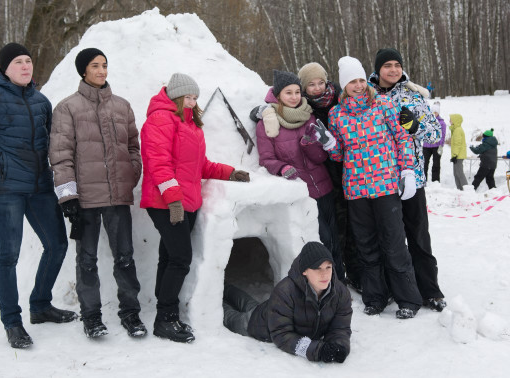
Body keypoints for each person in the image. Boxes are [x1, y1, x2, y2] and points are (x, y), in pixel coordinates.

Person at [0, 43, 76, 349]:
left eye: (28, 61)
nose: (26, 66)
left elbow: (50, 144)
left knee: (57, 244)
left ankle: (40, 305)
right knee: (7, 255)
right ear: (5, 68)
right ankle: (12, 321)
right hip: (5, 190)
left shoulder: (41, 102)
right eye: (18, 62)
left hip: (39, 187)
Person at [141, 73, 250, 343]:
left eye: (195, 98)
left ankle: (165, 309)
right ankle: (165, 319)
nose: (192, 102)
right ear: (176, 96)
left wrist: (229, 173)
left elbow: (200, 166)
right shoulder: (160, 120)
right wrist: (173, 199)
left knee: (169, 257)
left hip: (186, 202)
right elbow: (158, 163)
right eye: (188, 97)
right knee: (180, 258)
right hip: (165, 201)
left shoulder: (190, 125)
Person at [49, 48, 145, 339]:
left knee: (125, 257)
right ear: (83, 71)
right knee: (86, 260)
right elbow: (61, 156)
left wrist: (131, 173)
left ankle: (131, 314)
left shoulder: (122, 106)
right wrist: (68, 197)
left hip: (117, 196)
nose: (102, 70)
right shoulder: (67, 108)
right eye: (95, 66)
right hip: (86, 200)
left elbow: (133, 147)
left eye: (105, 65)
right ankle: (91, 317)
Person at [328, 56, 422, 319]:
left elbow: (403, 138)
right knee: (365, 245)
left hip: (386, 186)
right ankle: (375, 297)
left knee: (394, 243)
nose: (358, 86)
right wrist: (327, 144)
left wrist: (407, 171)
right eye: (352, 82)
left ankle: (408, 299)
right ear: (344, 85)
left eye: (360, 80)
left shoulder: (384, 105)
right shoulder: (336, 114)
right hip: (356, 189)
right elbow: (338, 155)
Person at [368, 48, 446, 312]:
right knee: (388, 238)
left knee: (418, 234)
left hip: (413, 177)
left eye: (397, 65)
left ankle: (429, 290)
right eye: (387, 65)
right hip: (379, 179)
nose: (393, 70)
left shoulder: (413, 96)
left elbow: (435, 134)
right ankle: (393, 287)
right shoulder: (366, 96)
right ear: (377, 69)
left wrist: (413, 125)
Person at [255, 70, 341, 280]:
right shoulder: (267, 121)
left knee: (335, 238)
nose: (294, 97)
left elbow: (320, 158)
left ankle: (339, 279)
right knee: (321, 238)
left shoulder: (308, 116)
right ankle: (324, 280)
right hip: (303, 191)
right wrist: (282, 168)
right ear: (277, 95)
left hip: (325, 187)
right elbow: (266, 158)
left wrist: (310, 144)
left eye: (296, 92)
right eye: (288, 93)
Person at [222, 242, 352, 363]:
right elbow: (282, 334)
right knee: (228, 315)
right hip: (259, 324)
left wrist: (339, 346)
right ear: (305, 271)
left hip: (271, 309)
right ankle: (217, 293)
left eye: (328, 267)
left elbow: (340, 327)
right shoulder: (285, 290)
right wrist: (317, 350)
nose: (324, 274)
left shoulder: (340, 293)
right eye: (318, 269)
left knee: (247, 303)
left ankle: (225, 287)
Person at [297, 62, 353, 284]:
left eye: (321, 82)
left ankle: (356, 270)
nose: (318, 88)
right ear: (304, 88)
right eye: (311, 84)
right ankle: (338, 272)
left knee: (355, 224)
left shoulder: (341, 99)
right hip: (326, 174)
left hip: (352, 168)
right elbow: (279, 101)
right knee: (336, 226)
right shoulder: (304, 108)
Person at [423, 101, 447, 182]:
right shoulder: (427, 121)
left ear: (438, 112)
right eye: (432, 112)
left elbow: (443, 135)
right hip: (426, 146)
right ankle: (423, 180)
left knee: (436, 164)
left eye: (436, 112)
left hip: (437, 146)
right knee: (424, 164)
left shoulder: (442, 123)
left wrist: (441, 146)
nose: (434, 113)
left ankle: (435, 181)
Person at [449, 114, 469, 190]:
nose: (449, 121)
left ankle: (466, 189)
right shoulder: (456, 129)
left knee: (459, 173)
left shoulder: (458, 130)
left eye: (451, 119)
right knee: (456, 174)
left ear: (455, 121)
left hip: (458, 156)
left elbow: (457, 144)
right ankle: (459, 190)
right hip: (457, 155)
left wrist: (455, 155)